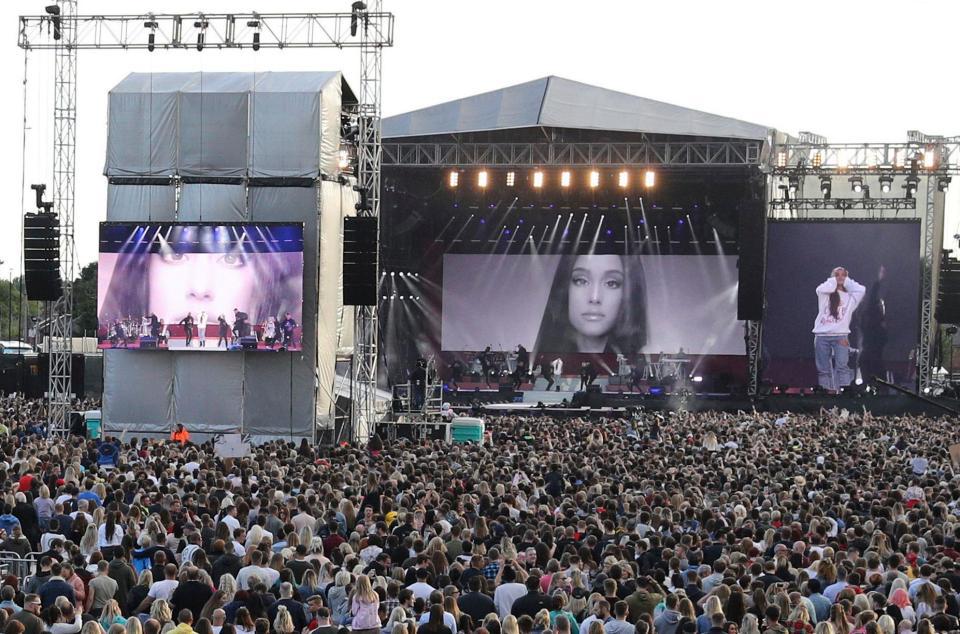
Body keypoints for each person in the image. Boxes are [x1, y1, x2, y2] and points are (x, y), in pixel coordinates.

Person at [535, 254, 647, 354]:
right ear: (564, 288)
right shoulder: (543, 360)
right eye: (581, 281)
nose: (594, 297)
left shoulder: (638, 362)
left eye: (611, 283)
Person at [812, 267, 866, 391]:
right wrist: (833, 281)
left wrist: (847, 281)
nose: (840, 277)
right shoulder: (825, 294)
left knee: (842, 366)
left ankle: (844, 394)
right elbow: (820, 288)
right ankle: (825, 392)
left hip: (841, 336)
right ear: (832, 277)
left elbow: (861, 289)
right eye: (837, 275)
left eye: (843, 275)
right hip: (821, 336)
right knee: (823, 369)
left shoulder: (850, 297)